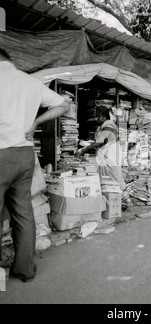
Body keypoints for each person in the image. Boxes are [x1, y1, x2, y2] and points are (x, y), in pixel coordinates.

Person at [0, 49, 69, 282]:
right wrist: (35, 123)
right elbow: (63, 105)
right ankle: (25, 269)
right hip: (25, 156)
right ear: (10, 60)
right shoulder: (29, 82)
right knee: (22, 212)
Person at [76, 108, 126, 191]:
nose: (97, 119)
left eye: (98, 116)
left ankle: (123, 193)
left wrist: (84, 149)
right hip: (106, 152)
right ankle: (110, 194)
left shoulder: (108, 125)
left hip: (111, 153)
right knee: (105, 177)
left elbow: (100, 141)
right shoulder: (104, 126)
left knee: (114, 174)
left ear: (104, 116)